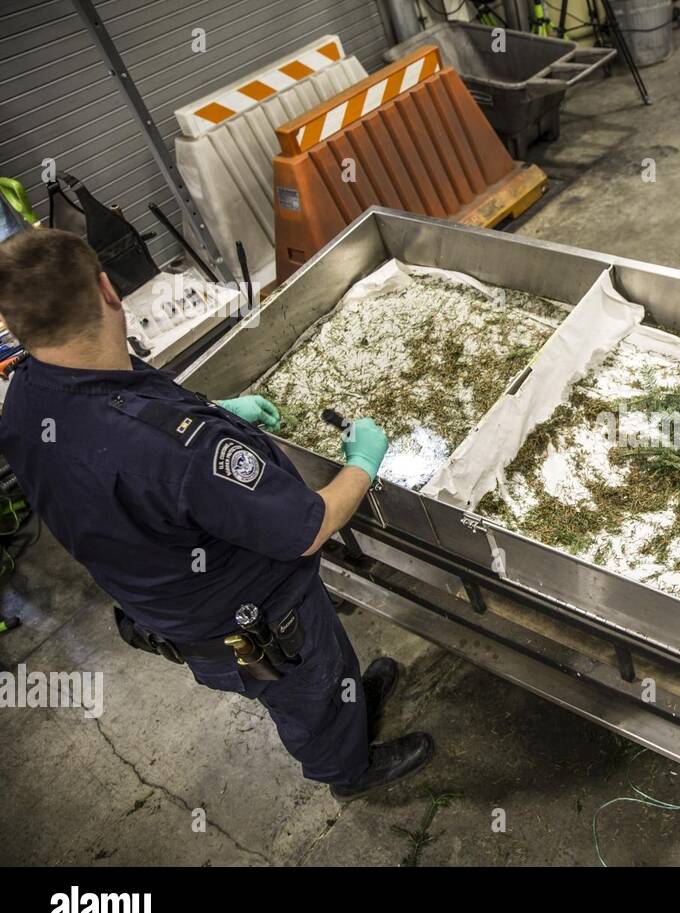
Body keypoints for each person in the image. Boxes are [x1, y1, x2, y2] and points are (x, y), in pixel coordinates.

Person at [0, 228, 433, 800]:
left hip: (165, 602)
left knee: (330, 676)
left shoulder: (27, 391)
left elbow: (109, 442)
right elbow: (309, 527)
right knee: (311, 693)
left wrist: (214, 412)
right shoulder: (182, 453)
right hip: (252, 619)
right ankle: (348, 771)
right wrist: (361, 463)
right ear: (109, 291)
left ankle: (349, 709)